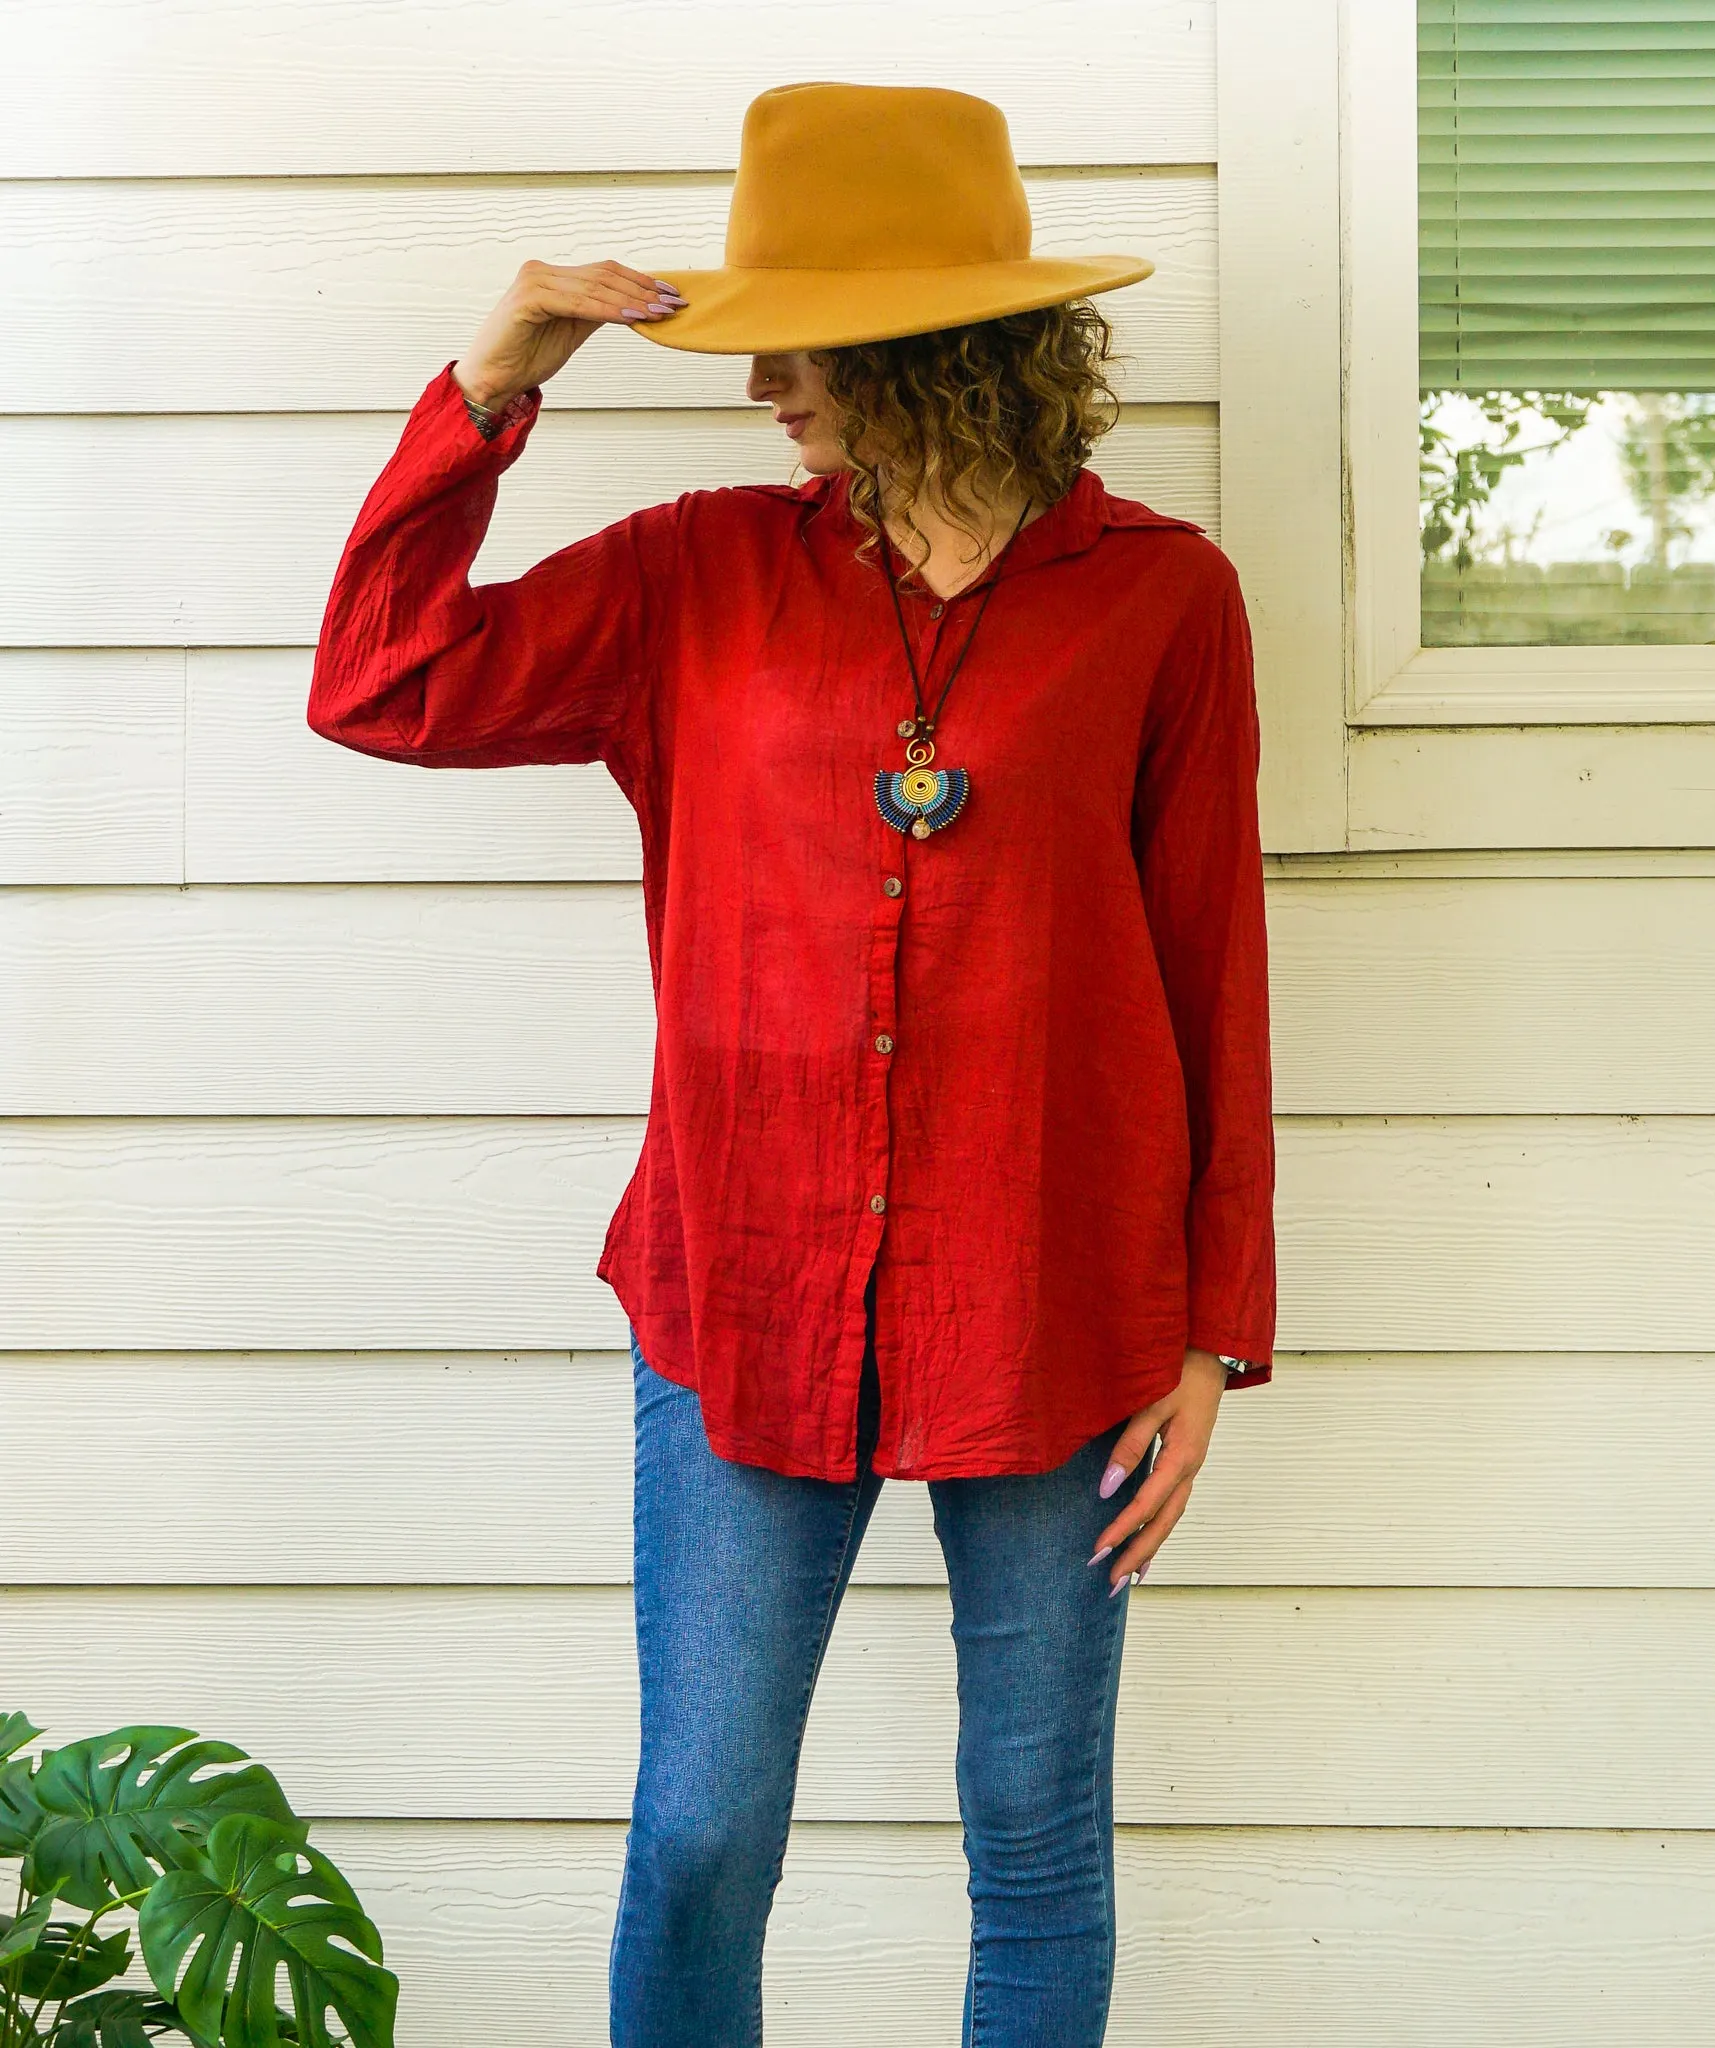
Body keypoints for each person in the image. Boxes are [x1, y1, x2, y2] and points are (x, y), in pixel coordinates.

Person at [309, 79, 1275, 2048]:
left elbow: (1212, 974)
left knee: (1033, 1840)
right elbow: (381, 681)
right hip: (739, 1295)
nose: (769, 397)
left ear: (934, 354)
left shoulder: (1165, 603)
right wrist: (499, 375)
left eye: (802, 357)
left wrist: (1210, 1336)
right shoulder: (691, 579)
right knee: (700, 1833)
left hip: (1061, 1313)